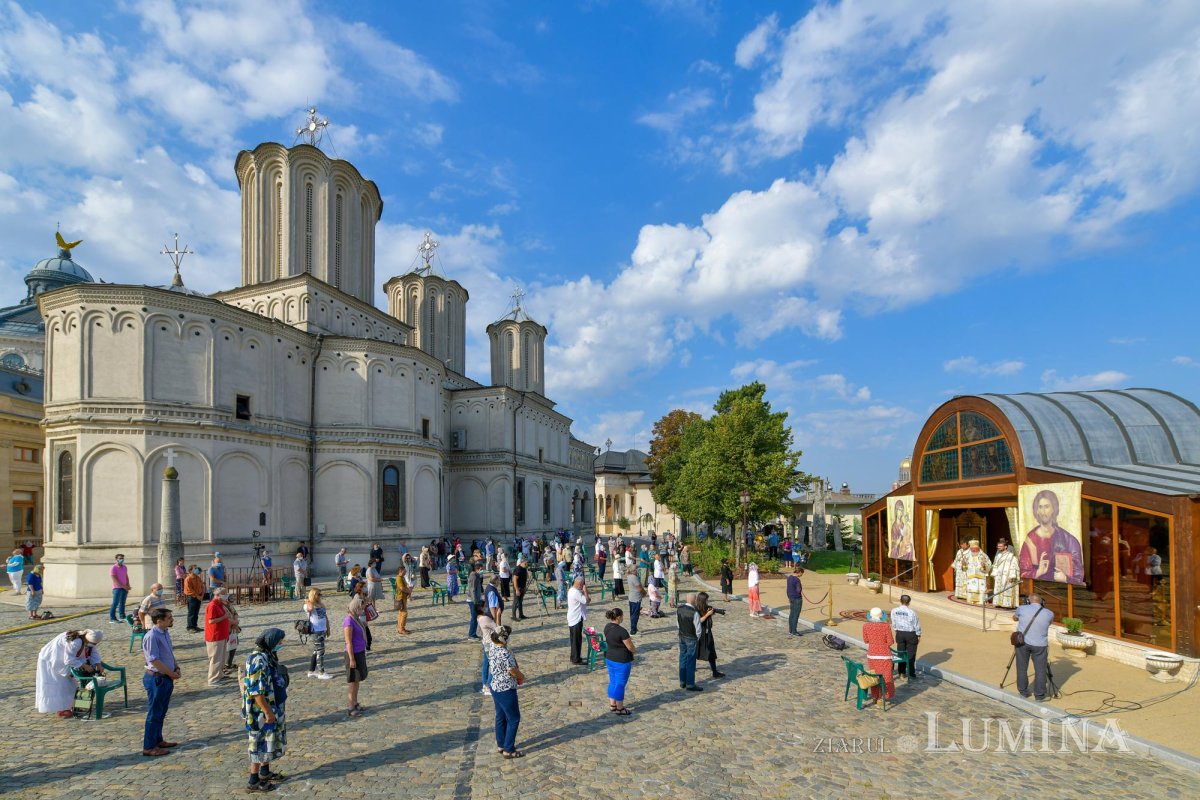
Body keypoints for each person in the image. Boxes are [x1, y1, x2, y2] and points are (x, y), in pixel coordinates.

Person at [243, 628, 288, 791]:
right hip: (260, 711)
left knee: (268, 740)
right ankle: (253, 780)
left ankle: (264, 771)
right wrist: (267, 711)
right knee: (258, 743)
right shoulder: (257, 660)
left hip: (271, 707)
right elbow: (256, 690)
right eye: (279, 642)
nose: (280, 645)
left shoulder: (267, 655)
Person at [1018, 490, 1084, 584]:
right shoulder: (1030, 540)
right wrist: (1038, 572)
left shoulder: (1068, 540)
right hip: (1038, 589)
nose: (1043, 511)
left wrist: (1066, 579)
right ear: (1036, 510)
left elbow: (1078, 576)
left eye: (1047, 506)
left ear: (1054, 509)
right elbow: (1023, 572)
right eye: (1040, 507)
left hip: (1062, 591)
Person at [36, 629, 105, 718]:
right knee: (59, 685)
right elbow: (68, 659)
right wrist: (84, 666)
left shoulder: (87, 638)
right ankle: (62, 709)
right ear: (87, 640)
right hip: (50, 659)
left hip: (63, 660)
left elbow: (93, 652)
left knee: (71, 685)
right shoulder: (77, 642)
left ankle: (74, 706)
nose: (94, 645)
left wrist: (98, 664)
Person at [141, 608, 181, 756]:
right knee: (154, 713)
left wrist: (175, 667)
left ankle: (158, 739)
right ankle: (149, 746)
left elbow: (169, 653)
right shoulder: (152, 636)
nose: (172, 620)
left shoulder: (165, 633)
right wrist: (171, 673)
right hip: (156, 678)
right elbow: (154, 659)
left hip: (166, 677)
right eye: (169, 618)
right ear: (159, 621)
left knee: (161, 712)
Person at [486, 626, 525, 758]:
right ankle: (508, 749)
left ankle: (501, 744)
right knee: (514, 718)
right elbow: (512, 671)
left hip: (495, 686)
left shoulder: (492, 646)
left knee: (500, 715)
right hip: (506, 689)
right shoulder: (505, 654)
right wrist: (522, 676)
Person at [1012, 593, 1055, 701]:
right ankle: (1039, 695)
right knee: (1040, 670)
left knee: (1022, 668)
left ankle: (1023, 692)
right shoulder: (1050, 613)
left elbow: (1014, 618)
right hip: (1040, 645)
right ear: (1042, 602)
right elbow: (1048, 624)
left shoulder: (1021, 608)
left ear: (1028, 601)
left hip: (1022, 643)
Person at [604, 607, 635, 715]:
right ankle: (620, 708)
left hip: (610, 658)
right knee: (620, 684)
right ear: (618, 617)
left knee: (613, 682)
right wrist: (634, 651)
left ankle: (613, 704)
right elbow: (630, 647)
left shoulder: (607, 627)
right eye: (622, 616)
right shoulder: (622, 631)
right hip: (622, 661)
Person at [862, 607, 895, 704]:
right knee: (886, 676)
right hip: (884, 655)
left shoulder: (866, 626)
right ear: (881, 617)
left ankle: (875, 696)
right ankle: (884, 697)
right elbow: (890, 642)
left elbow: (866, 640)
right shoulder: (886, 626)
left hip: (872, 655)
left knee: (874, 676)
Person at [344, 597, 369, 717]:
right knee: (353, 682)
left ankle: (355, 702)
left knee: (357, 680)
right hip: (353, 654)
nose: (362, 610)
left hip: (359, 652)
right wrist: (352, 659)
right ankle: (350, 707)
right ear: (355, 608)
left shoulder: (356, 619)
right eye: (361, 608)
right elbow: (348, 642)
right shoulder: (348, 621)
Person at [676, 593, 703, 692]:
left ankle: (682, 681)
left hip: (682, 636)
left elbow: (678, 623)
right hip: (691, 638)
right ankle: (690, 684)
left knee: (682, 658)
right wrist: (697, 639)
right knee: (691, 661)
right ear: (695, 600)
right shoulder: (694, 612)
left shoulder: (679, 609)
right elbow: (698, 629)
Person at [204, 588, 231, 685]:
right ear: (218, 595)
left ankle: (220, 675)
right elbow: (211, 621)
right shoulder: (212, 606)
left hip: (222, 635)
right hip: (214, 636)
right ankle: (213, 679)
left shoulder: (220, 604)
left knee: (221, 657)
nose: (226, 595)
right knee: (215, 658)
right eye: (224, 594)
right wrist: (224, 617)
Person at [891, 594, 921, 681]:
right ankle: (911, 673)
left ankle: (901, 673)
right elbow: (917, 625)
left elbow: (894, 622)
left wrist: (897, 630)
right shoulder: (912, 612)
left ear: (900, 601)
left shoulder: (894, 610)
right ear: (909, 602)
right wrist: (918, 634)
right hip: (911, 634)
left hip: (900, 633)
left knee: (901, 653)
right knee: (911, 654)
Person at [303, 587, 332, 679]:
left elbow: (325, 616)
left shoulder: (320, 604)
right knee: (321, 652)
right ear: (313, 595)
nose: (320, 596)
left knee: (316, 651)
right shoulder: (308, 604)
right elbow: (310, 609)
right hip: (316, 631)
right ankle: (321, 672)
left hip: (322, 630)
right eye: (318, 594)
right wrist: (308, 601)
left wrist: (328, 628)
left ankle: (311, 671)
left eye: (320, 594)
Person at [696, 592, 725, 679]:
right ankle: (692, 667)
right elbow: (699, 621)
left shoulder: (706, 608)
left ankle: (714, 671)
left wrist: (712, 613)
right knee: (695, 651)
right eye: (706, 600)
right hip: (699, 633)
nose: (708, 601)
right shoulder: (695, 609)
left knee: (711, 652)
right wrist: (707, 614)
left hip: (707, 632)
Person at [477, 601, 499, 695]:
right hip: (490, 644)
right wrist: (498, 615)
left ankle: (484, 684)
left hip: (485, 642)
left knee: (486, 664)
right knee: (494, 665)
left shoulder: (479, 618)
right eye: (485, 606)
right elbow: (497, 628)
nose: (487, 608)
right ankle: (488, 685)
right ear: (481, 608)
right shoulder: (485, 618)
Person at [990, 538, 1020, 608]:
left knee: (1007, 590)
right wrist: (994, 574)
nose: (999, 548)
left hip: (1007, 576)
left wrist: (1012, 576)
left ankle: (1007, 604)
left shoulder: (1011, 556)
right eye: (998, 546)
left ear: (1005, 546)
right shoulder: (998, 556)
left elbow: (1013, 566)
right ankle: (999, 603)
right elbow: (995, 565)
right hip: (999, 576)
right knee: (999, 589)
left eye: (1000, 546)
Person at [567, 576, 589, 665]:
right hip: (576, 618)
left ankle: (574, 656)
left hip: (573, 617)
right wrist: (585, 591)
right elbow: (586, 601)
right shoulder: (576, 592)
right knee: (576, 639)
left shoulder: (573, 590)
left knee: (574, 639)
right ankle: (576, 658)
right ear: (580, 584)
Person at [963, 539, 992, 605]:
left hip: (981, 576)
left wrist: (984, 566)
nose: (973, 550)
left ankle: (981, 601)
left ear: (978, 548)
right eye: (972, 548)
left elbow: (989, 565)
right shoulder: (967, 556)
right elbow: (964, 568)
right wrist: (963, 564)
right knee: (971, 588)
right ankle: (971, 600)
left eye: (975, 548)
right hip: (971, 576)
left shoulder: (983, 555)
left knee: (981, 589)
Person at [110, 553, 131, 623]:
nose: (121, 560)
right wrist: (123, 586)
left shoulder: (124, 567)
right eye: (120, 558)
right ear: (116, 559)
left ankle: (122, 616)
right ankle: (112, 618)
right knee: (115, 603)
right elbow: (114, 579)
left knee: (122, 603)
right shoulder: (113, 568)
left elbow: (126, 576)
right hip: (117, 588)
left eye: (122, 558)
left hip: (124, 588)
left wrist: (128, 585)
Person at [183, 564, 204, 631]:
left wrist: (201, 595)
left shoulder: (198, 578)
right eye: (195, 568)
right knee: (191, 612)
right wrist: (197, 596)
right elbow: (189, 590)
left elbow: (201, 586)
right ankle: (190, 627)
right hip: (192, 597)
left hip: (198, 596)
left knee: (196, 612)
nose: (197, 569)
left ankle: (195, 626)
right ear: (190, 570)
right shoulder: (188, 579)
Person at [467, 561, 484, 638]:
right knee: (474, 617)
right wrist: (475, 601)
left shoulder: (476, 575)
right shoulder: (473, 576)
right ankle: (471, 634)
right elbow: (472, 589)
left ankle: (473, 633)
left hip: (476, 599)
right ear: (479, 568)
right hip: (472, 600)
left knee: (476, 617)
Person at [625, 568, 645, 635]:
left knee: (632, 614)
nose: (637, 571)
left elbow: (627, 573)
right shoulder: (634, 578)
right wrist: (645, 593)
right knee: (635, 615)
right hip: (636, 598)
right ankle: (633, 630)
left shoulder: (629, 576)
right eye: (635, 570)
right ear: (633, 571)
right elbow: (640, 589)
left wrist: (628, 570)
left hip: (632, 597)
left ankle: (634, 628)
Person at [786, 566, 805, 635]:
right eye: (801, 574)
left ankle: (790, 630)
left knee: (791, 614)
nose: (801, 575)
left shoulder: (789, 577)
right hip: (797, 598)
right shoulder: (797, 580)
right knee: (795, 615)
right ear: (799, 572)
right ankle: (794, 631)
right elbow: (798, 590)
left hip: (791, 598)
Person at [394, 567, 413, 635]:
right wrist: (408, 591)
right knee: (404, 613)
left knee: (401, 613)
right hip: (401, 597)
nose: (405, 572)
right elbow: (402, 588)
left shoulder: (402, 577)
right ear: (401, 571)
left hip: (403, 597)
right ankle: (401, 628)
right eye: (404, 571)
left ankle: (400, 627)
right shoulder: (399, 578)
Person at [512, 556, 529, 621]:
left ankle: (521, 615)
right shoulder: (518, 569)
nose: (526, 564)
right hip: (518, 588)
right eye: (525, 563)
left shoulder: (524, 568)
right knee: (516, 602)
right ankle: (514, 616)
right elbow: (515, 580)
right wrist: (517, 590)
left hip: (522, 587)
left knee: (520, 602)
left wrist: (524, 587)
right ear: (522, 562)